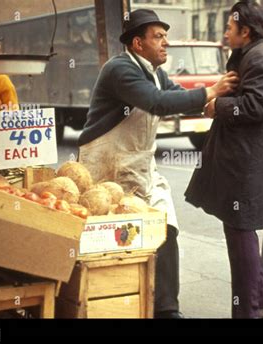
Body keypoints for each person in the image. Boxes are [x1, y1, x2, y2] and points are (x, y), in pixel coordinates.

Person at [78, 9, 238, 319]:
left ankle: (167, 309)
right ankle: (106, 302)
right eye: (158, 37)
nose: (166, 43)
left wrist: (209, 105)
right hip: (106, 166)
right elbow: (156, 101)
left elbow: (173, 94)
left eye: (165, 36)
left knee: (166, 228)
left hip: (138, 166)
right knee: (113, 237)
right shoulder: (119, 69)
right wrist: (211, 90)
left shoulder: (153, 70)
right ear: (138, 43)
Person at [185, 0, 263, 319]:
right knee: (239, 231)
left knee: (240, 236)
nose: (225, 32)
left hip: (248, 164)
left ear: (246, 30)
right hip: (239, 161)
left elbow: (255, 107)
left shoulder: (261, 59)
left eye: (230, 27)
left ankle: (248, 313)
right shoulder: (247, 54)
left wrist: (217, 107)